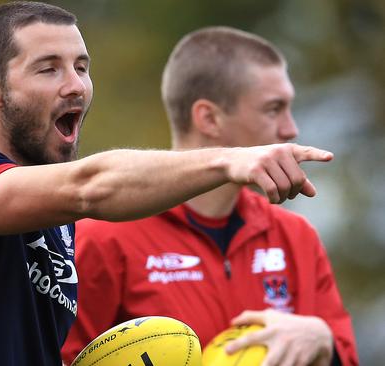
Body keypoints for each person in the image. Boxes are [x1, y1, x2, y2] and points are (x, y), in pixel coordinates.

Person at [0, 3, 333, 366]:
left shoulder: (54, 214)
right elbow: (90, 186)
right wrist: (232, 159)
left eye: (81, 66)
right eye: (48, 69)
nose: (75, 85)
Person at [61, 27, 358, 366]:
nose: (291, 128)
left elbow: (347, 355)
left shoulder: (295, 236)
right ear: (209, 118)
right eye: (274, 109)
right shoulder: (104, 236)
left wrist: (323, 341)